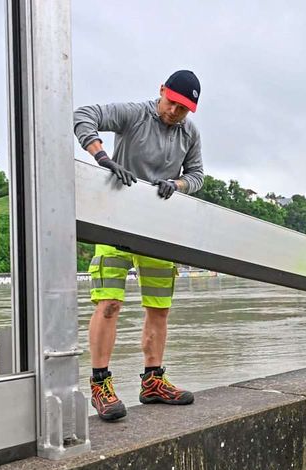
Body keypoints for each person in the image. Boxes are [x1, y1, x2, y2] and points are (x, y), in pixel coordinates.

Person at [73, 70, 204, 421]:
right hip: (115, 221)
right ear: (161, 91)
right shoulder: (134, 114)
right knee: (109, 304)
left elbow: (197, 175)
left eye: (185, 109)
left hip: (158, 228)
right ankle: (100, 384)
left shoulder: (189, 133)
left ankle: (153, 382)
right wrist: (102, 158)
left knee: (159, 308)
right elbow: (83, 115)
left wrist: (176, 185)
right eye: (173, 103)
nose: (176, 113)